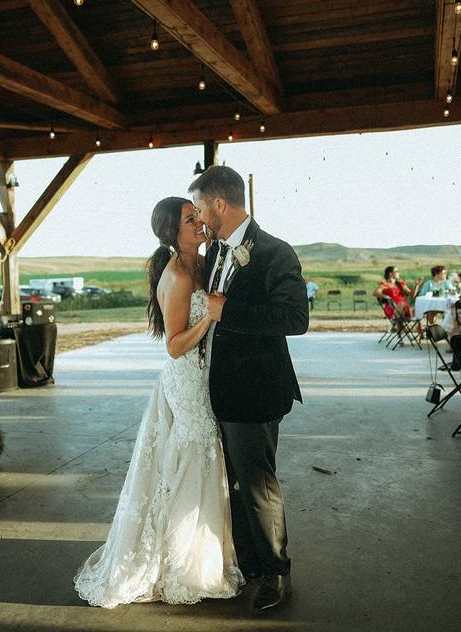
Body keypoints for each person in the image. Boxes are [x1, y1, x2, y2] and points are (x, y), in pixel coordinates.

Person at [74, 197, 243, 608]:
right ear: (173, 233)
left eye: (198, 215)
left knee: (204, 456)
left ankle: (202, 554)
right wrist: (210, 319)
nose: (200, 222)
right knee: (195, 455)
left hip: (204, 374)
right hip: (187, 379)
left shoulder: (202, 263)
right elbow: (173, 345)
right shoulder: (178, 276)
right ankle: (183, 565)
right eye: (191, 219)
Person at [191, 165, 308, 611]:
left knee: (258, 483)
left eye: (202, 207)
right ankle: (249, 565)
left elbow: (296, 320)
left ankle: (278, 573)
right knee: (232, 482)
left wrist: (230, 312)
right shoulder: (217, 252)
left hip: (256, 389)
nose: (200, 217)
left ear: (220, 203)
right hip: (218, 390)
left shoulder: (275, 252)